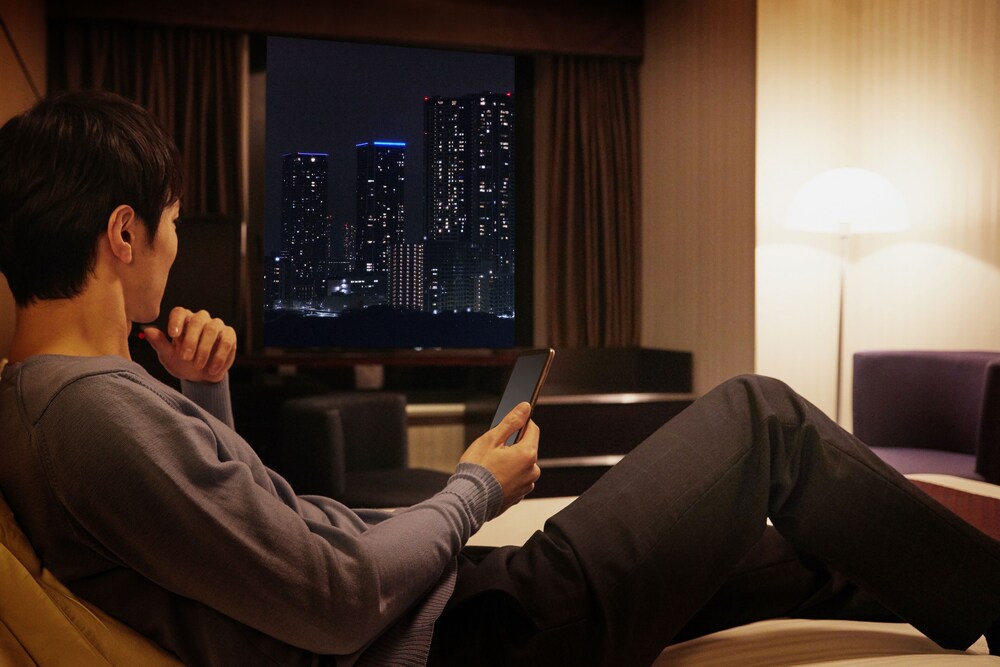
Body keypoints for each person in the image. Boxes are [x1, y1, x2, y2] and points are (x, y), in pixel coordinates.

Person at [0, 91, 998, 667]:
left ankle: (969, 585)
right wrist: (475, 488)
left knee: (786, 547)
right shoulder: (87, 413)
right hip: (473, 639)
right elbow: (337, 597)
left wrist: (203, 389)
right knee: (762, 417)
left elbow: (240, 530)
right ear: (122, 231)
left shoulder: (68, 393)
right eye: (171, 221)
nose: (177, 243)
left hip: (447, 607)